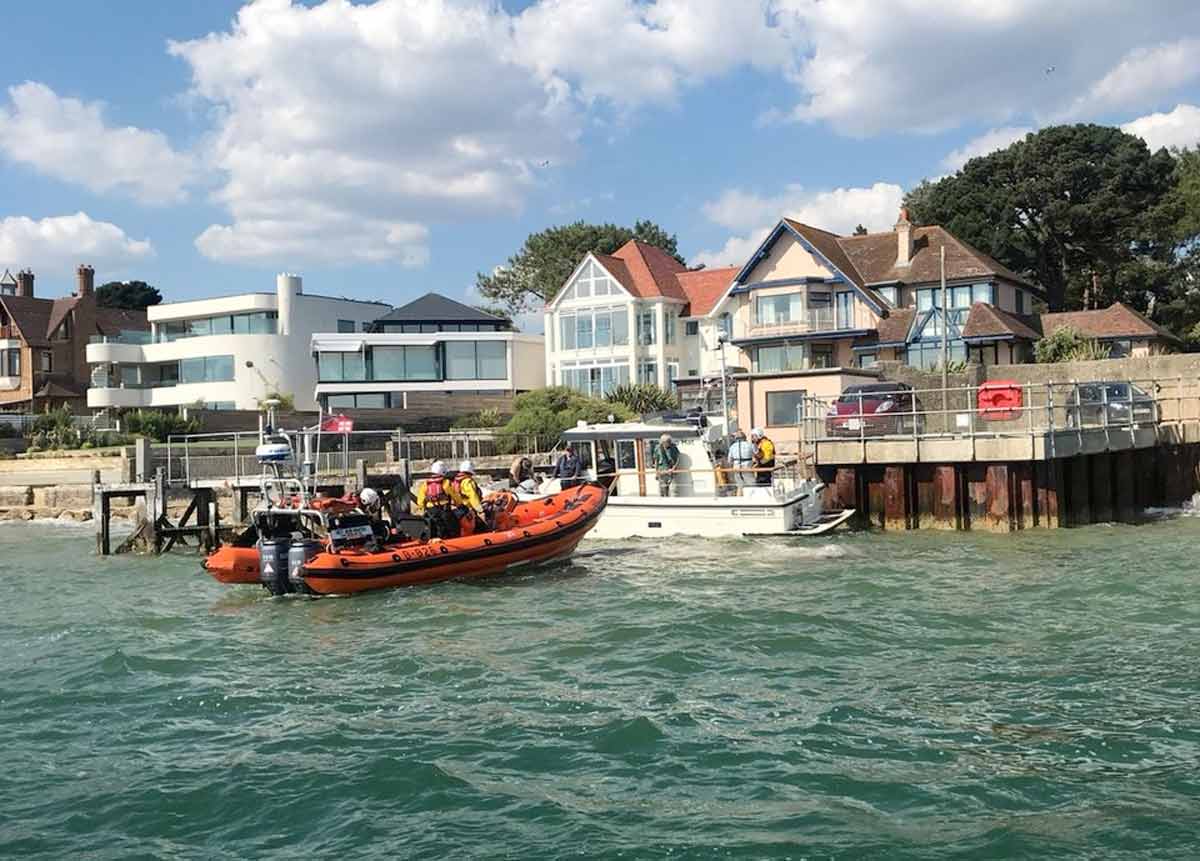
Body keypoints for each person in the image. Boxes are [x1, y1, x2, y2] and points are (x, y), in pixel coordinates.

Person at [414, 460, 461, 538]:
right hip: (444, 510)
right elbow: (454, 495)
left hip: (430, 510)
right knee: (454, 526)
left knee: (435, 526)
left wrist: (421, 507)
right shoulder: (446, 483)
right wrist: (459, 504)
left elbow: (420, 500)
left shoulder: (425, 484)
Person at [452, 460, 487, 535]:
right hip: (468, 509)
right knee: (482, 526)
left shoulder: (455, 481)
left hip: (459, 509)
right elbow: (473, 497)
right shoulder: (468, 482)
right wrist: (480, 510)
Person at [653, 432, 679, 497]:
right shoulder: (658, 448)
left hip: (671, 473)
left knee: (673, 491)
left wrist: (673, 469)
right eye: (667, 442)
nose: (668, 443)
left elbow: (677, 459)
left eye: (669, 441)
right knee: (662, 491)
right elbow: (656, 461)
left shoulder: (673, 447)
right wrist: (656, 472)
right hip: (662, 472)